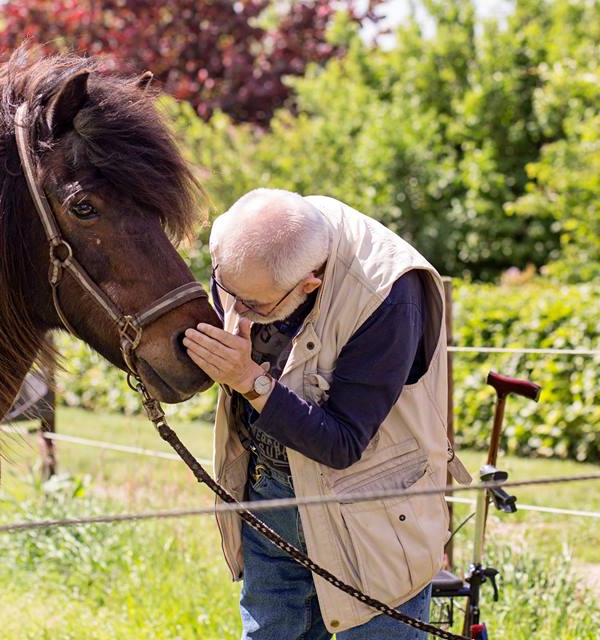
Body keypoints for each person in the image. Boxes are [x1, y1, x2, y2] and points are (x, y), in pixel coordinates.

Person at [182, 189, 470, 639]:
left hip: (371, 518)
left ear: (308, 284)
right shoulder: (268, 236)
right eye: (224, 288)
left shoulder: (389, 295)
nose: (233, 316)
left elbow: (342, 443)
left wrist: (250, 381)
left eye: (253, 306)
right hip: (271, 496)